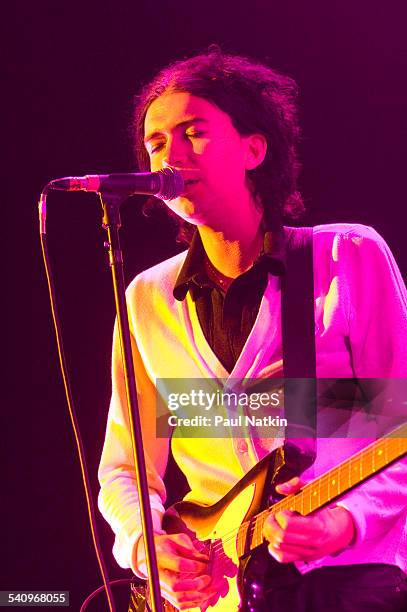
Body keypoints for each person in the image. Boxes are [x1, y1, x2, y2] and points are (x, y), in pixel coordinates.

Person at [98, 48, 407, 611]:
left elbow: (402, 427)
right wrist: (148, 547)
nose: (172, 156)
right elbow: (125, 467)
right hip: (219, 594)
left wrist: (348, 520)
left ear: (253, 149)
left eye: (194, 132)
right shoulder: (147, 297)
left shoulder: (348, 257)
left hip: (348, 578)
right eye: (157, 144)